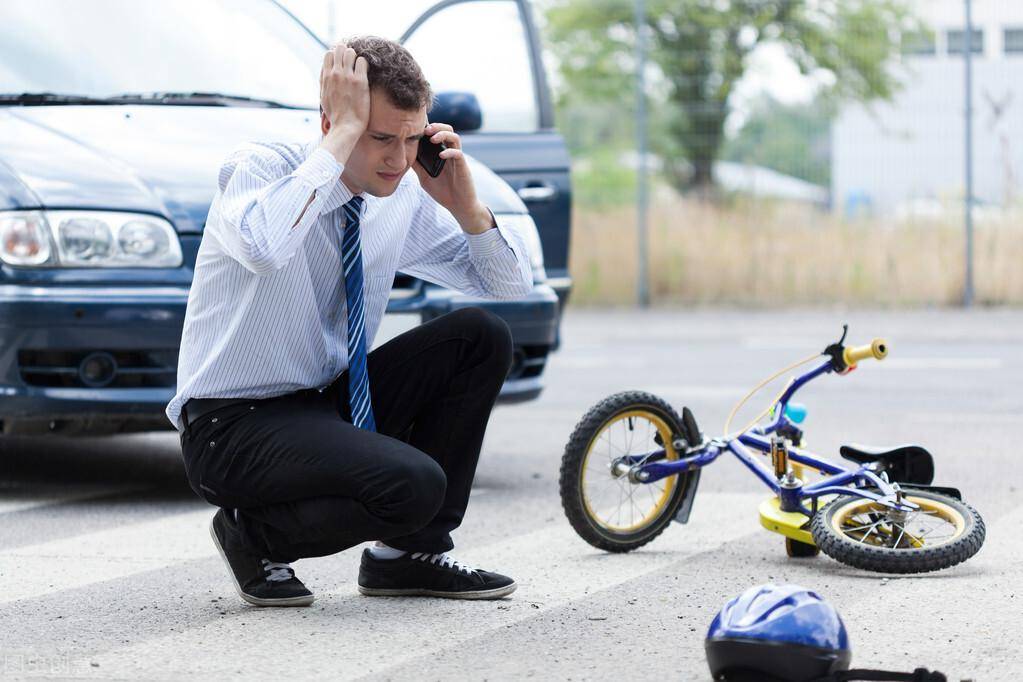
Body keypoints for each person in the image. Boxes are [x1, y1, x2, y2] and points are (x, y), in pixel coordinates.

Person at [166, 36, 533, 607]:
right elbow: (265, 248)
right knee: (415, 485)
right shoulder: (260, 167)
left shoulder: (397, 194)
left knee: (480, 337)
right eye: (381, 137)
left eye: (412, 139)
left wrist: (467, 210)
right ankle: (252, 535)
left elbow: (509, 285)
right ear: (330, 122)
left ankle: (408, 557)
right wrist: (338, 142)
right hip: (232, 427)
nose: (399, 159)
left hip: (324, 406)